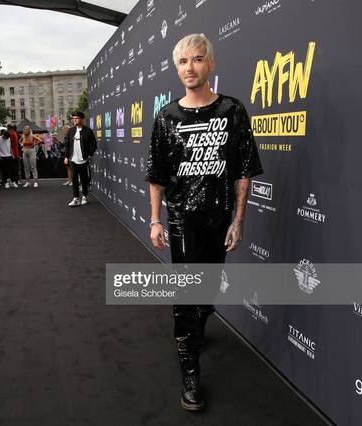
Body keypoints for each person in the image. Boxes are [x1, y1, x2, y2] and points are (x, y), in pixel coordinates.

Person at [146, 33, 263, 411]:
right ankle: (190, 372)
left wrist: (238, 220)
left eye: (197, 60)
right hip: (180, 220)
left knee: (206, 294)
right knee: (186, 298)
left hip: (218, 219)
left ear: (209, 64)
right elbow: (157, 175)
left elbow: (243, 172)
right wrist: (154, 220)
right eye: (182, 62)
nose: (189, 68)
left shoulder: (232, 110)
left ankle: (199, 319)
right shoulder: (166, 117)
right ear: (176, 68)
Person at [64, 111, 97, 207]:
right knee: (74, 178)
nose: (74, 120)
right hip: (73, 159)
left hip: (83, 159)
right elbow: (67, 145)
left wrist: (90, 154)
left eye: (76, 118)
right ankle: (75, 198)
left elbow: (94, 145)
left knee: (84, 179)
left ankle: (85, 196)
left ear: (82, 119)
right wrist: (66, 156)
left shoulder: (88, 131)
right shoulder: (71, 131)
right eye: (73, 118)